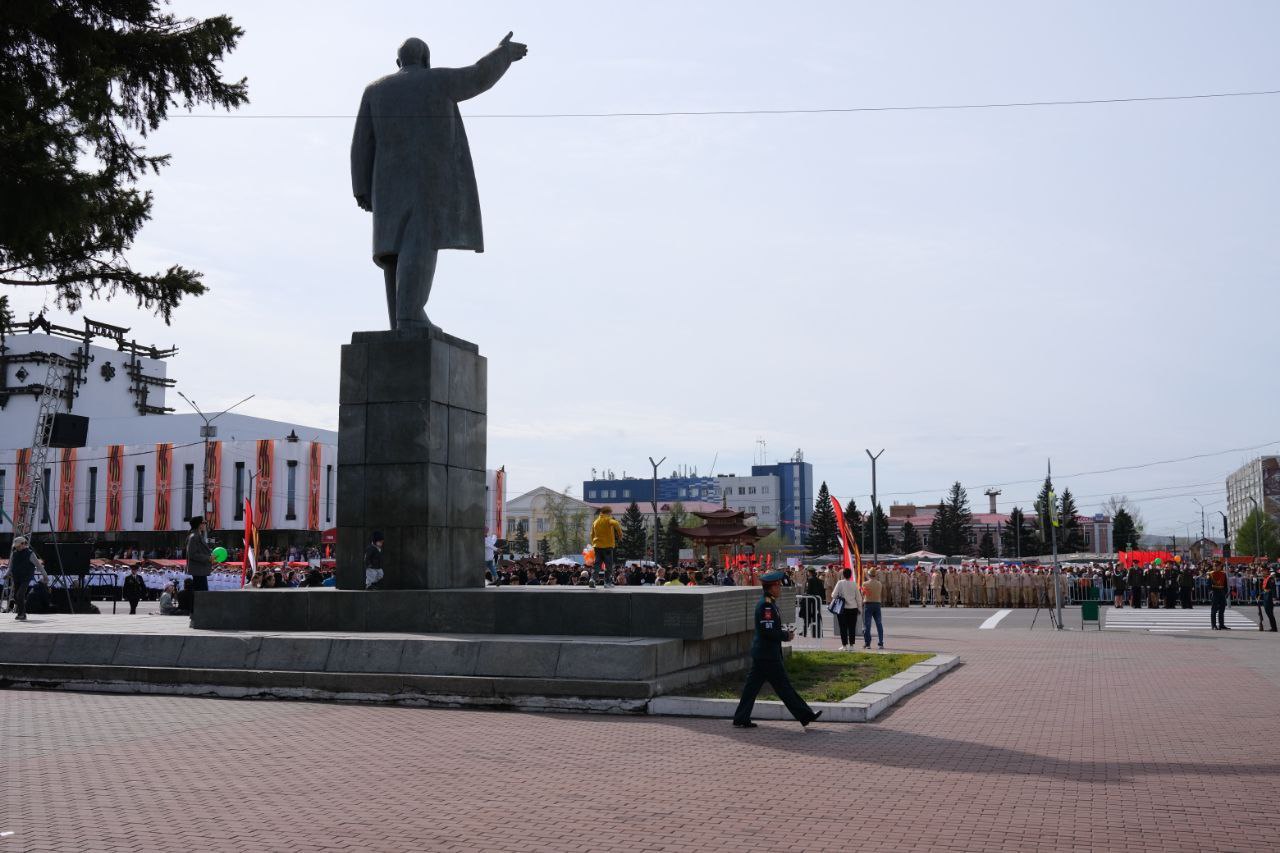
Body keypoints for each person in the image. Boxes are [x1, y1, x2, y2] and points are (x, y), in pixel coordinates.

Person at [350, 32, 528, 330]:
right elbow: (477, 76)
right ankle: (410, 316)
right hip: (427, 181)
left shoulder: (375, 90)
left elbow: (360, 144)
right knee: (419, 241)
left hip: (385, 186)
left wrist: (361, 188)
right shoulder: (437, 81)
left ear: (399, 61)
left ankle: (401, 323)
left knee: (392, 250)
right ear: (426, 60)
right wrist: (504, 53)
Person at [731, 570, 821, 729]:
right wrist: (786, 635)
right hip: (767, 655)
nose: (780, 588)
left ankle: (741, 717)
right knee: (784, 687)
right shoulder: (766, 605)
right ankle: (806, 715)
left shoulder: (770, 603)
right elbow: (768, 631)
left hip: (763, 654)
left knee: (752, 688)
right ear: (770, 588)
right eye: (778, 586)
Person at [7, 536, 40, 622]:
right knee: (15, 596)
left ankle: (22, 614)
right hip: (17, 577)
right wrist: (7, 574)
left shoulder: (30, 553)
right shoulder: (14, 553)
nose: (17, 547)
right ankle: (21, 613)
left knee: (20, 595)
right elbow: (10, 566)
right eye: (16, 546)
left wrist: (45, 576)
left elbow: (38, 565)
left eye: (18, 546)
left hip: (26, 577)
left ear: (23, 544)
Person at [830, 568, 863, 650]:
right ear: (851, 575)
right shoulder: (854, 584)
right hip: (853, 608)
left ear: (843, 575)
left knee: (843, 627)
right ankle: (852, 646)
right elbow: (859, 598)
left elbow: (833, 595)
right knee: (852, 627)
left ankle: (844, 646)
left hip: (842, 609)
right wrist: (860, 609)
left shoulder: (840, 583)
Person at [589, 507, 622, 588]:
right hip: (607, 546)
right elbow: (616, 524)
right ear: (608, 512)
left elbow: (591, 534)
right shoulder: (608, 520)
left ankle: (592, 579)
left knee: (597, 564)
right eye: (610, 513)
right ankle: (607, 582)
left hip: (597, 546)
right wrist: (620, 535)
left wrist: (594, 543)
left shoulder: (595, 522)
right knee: (608, 565)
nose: (611, 515)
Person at [185, 517, 213, 613]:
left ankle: (198, 613)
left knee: (201, 593)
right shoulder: (194, 536)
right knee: (201, 593)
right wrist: (207, 558)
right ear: (199, 524)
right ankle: (198, 613)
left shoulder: (198, 535)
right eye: (204, 522)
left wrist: (210, 557)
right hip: (198, 570)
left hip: (200, 570)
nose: (205, 524)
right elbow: (192, 554)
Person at [862, 568, 885, 650]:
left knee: (867, 625)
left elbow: (863, 594)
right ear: (875, 575)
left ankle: (867, 643)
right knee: (879, 624)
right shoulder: (879, 584)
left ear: (869, 575)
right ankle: (881, 643)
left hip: (868, 604)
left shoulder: (865, 584)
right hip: (877, 604)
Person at [802, 568, 824, 637]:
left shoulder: (810, 580)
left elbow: (808, 591)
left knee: (807, 616)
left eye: (808, 572)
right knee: (817, 616)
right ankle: (819, 632)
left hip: (810, 601)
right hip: (817, 600)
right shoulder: (819, 580)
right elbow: (822, 591)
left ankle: (804, 632)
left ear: (810, 573)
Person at [1208, 562, 1229, 630]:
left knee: (1222, 609)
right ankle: (1213, 625)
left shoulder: (1223, 574)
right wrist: (1211, 592)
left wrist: (1225, 592)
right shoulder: (1211, 574)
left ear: (1220, 567)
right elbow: (1208, 585)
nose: (1216, 567)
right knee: (1214, 609)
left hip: (1222, 592)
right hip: (1215, 592)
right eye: (1215, 566)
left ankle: (1221, 624)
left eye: (1218, 566)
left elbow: (1225, 584)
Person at [1260, 567, 1277, 632]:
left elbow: (1273, 588)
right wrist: (1260, 595)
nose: (1262, 572)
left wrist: (1273, 597)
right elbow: (1264, 588)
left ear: (1267, 571)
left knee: (1269, 612)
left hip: (1269, 596)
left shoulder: (1270, 578)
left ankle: (1274, 628)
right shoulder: (1265, 578)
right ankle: (1273, 627)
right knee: (1268, 612)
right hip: (1265, 595)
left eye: (1263, 571)